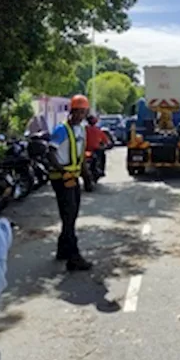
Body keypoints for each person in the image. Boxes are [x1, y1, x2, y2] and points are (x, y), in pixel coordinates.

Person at [48, 95, 91, 271]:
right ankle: (74, 257)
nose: (81, 115)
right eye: (79, 111)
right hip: (62, 179)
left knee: (71, 216)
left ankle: (62, 250)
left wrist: (87, 177)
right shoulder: (61, 130)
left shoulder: (81, 130)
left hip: (73, 178)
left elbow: (81, 158)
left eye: (84, 111)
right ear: (72, 111)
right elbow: (50, 153)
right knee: (68, 215)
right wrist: (62, 170)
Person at [85, 113, 111, 178]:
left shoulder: (84, 129)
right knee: (102, 155)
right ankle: (101, 170)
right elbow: (105, 140)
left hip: (85, 149)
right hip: (95, 149)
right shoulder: (97, 130)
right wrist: (107, 143)